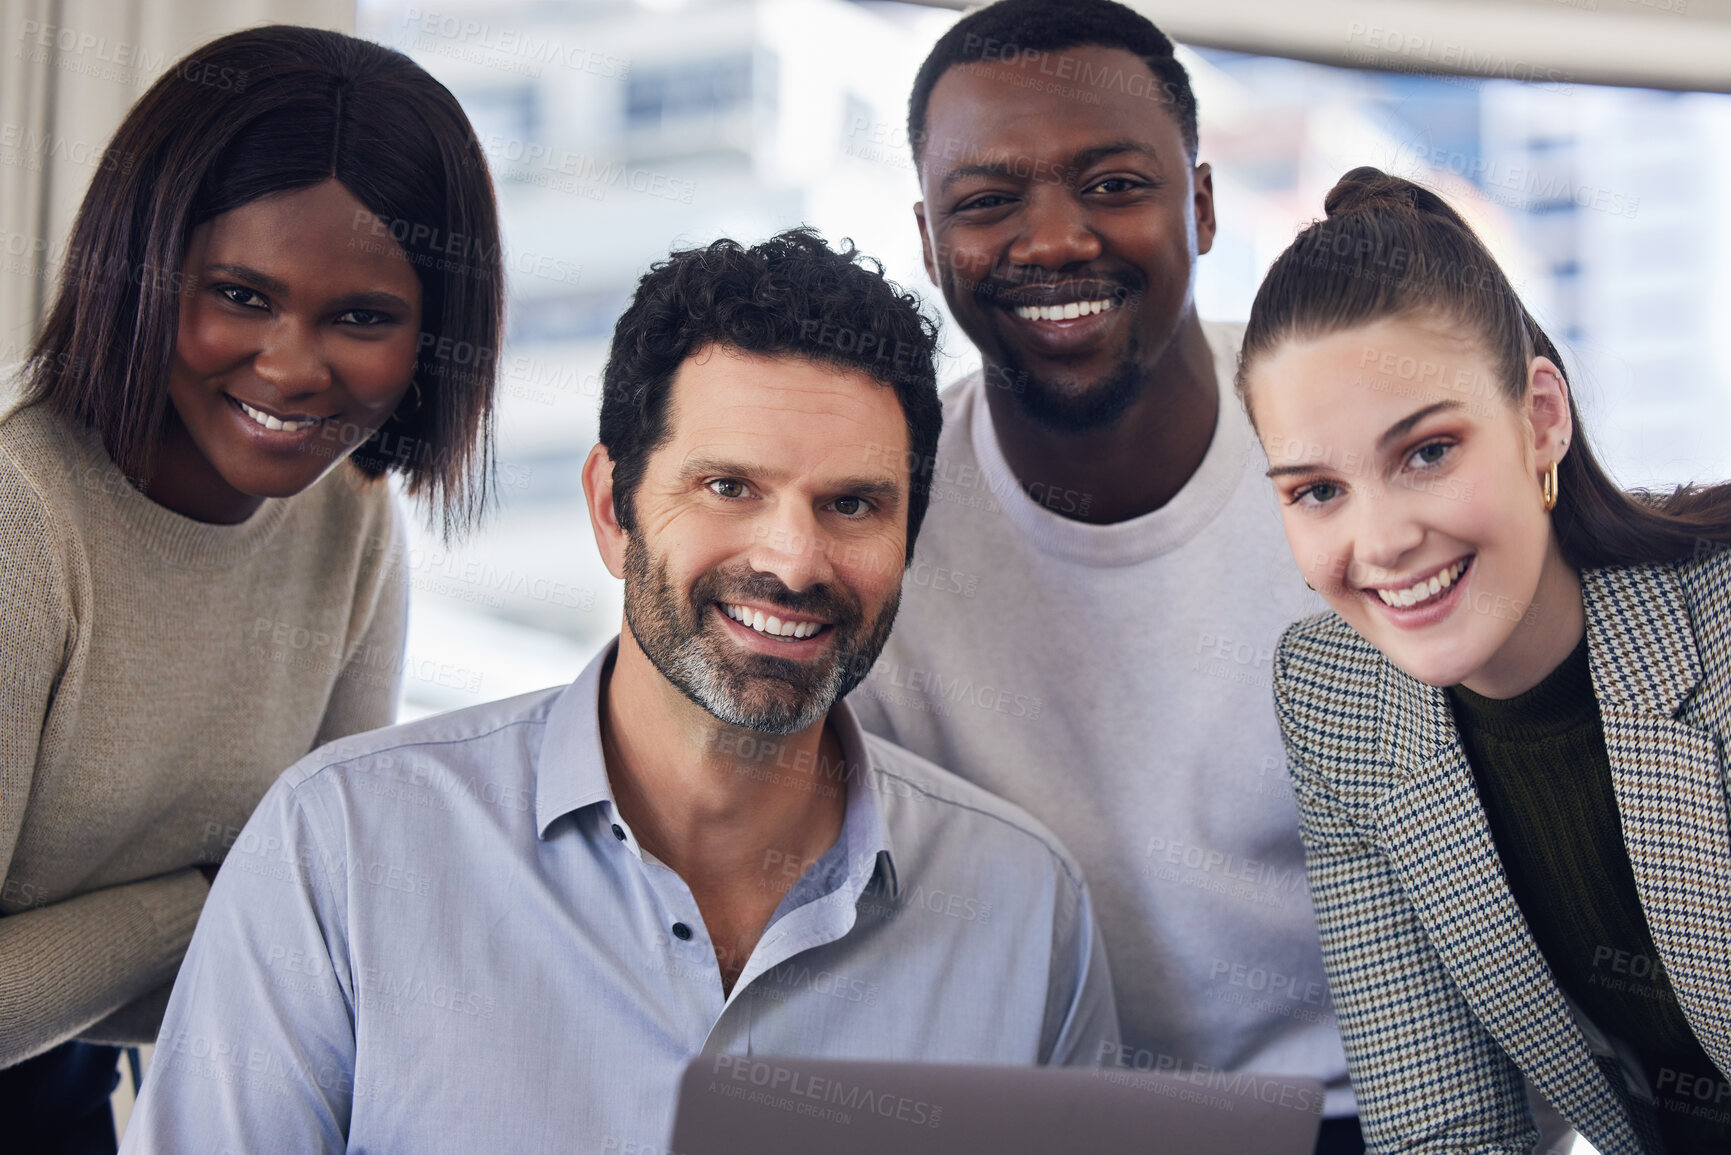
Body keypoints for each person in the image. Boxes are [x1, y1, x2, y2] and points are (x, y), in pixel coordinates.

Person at [119, 230, 1118, 1154]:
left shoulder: (1027, 913)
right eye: (729, 488)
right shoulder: (335, 851)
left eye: (852, 504)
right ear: (612, 508)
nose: (794, 560)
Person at [846, 0, 1373, 1146]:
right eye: (988, 203)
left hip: (1372, 1118)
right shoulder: (874, 522)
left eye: (1114, 185)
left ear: (1201, 204)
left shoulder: (1353, 449)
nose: (1054, 242)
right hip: (1037, 1120)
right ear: (931, 243)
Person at [0, 26, 502, 1152]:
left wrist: (266, 904)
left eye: (363, 317)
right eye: (238, 293)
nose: (289, 367)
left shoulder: (352, 518)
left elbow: (317, 943)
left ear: (436, 335)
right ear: (138, 270)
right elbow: (277, 918)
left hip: (73, 1096)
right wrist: (211, 901)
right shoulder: (18, 515)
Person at [1237, 166, 1731, 1152]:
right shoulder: (1335, 698)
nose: (1379, 544)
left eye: (1426, 453)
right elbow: (1443, 1130)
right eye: (1317, 491)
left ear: (1540, 418)